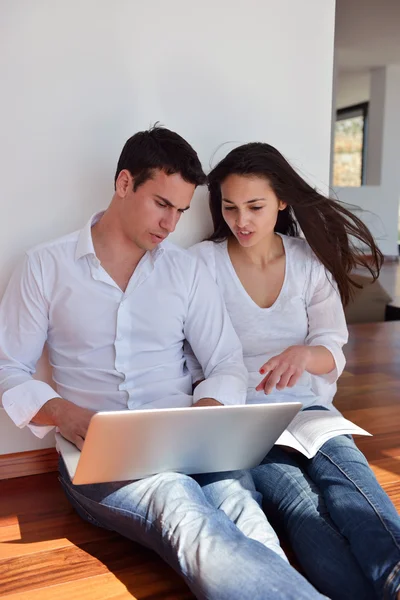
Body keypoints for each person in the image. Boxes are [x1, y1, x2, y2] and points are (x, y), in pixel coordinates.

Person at [0, 127, 327, 600]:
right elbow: (8, 368)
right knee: (183, 511)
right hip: (99, 458)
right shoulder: (44, 267)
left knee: (244, 510)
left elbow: (226, 361)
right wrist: (66, 415)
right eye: (161, 204)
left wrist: (207, 411)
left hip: (189, 441)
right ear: (124, 183)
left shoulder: (185, 270)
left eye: (180, 211)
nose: (170, 224)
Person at [187, 141, 400, 600]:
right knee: (301, 509)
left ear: (282, 201)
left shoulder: (307, 261)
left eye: (255, 206)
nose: (241, 221)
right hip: (243, 421)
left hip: (309, 411)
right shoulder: (200, 265)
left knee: (349, 480)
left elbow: (331, 347)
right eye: (230, 207)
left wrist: (302, 356)